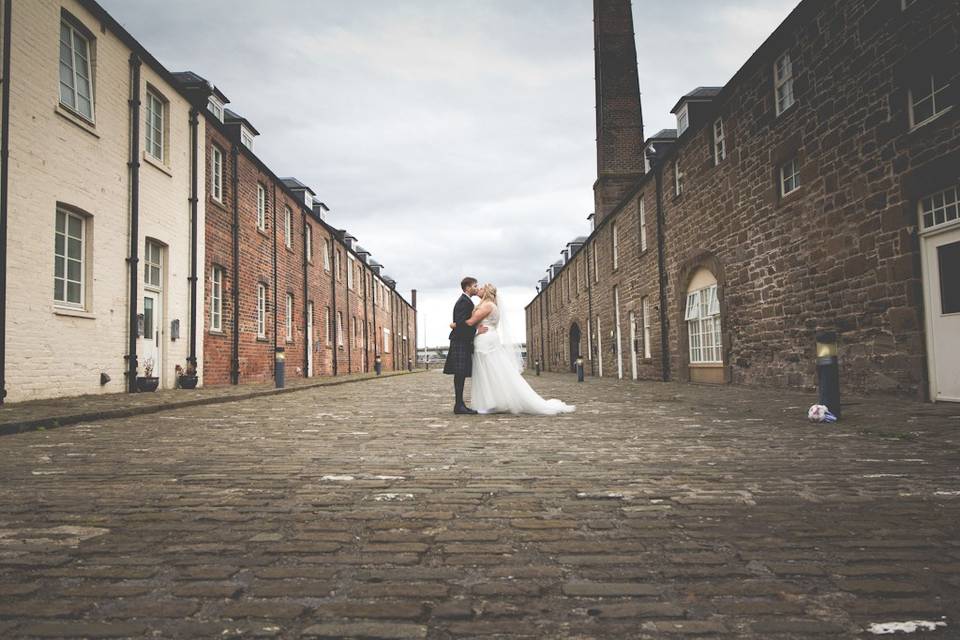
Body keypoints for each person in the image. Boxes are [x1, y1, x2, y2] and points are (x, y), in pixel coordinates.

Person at [451, 283, 575, 415]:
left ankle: (492, 401)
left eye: (481, 288)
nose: (478, 290)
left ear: (486, 292)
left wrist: (454, 324)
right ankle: (493, 401)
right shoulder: (491, 305)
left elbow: (471, 322)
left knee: (488, 370)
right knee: (491, 370)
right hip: (488, 338)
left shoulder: (487, 305)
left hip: (486, 340)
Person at [443, 277, 487, 414]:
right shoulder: (464, 302)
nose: (476, 288)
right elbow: (462, 322)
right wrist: (476, 330)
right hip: (460, 341)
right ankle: (459, 405)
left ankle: (459, 404)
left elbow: (458, 323)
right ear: (467, 288)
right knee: (460, 373)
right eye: (475, 286)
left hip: (461, 340)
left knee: (460, 373)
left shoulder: (466, 301)